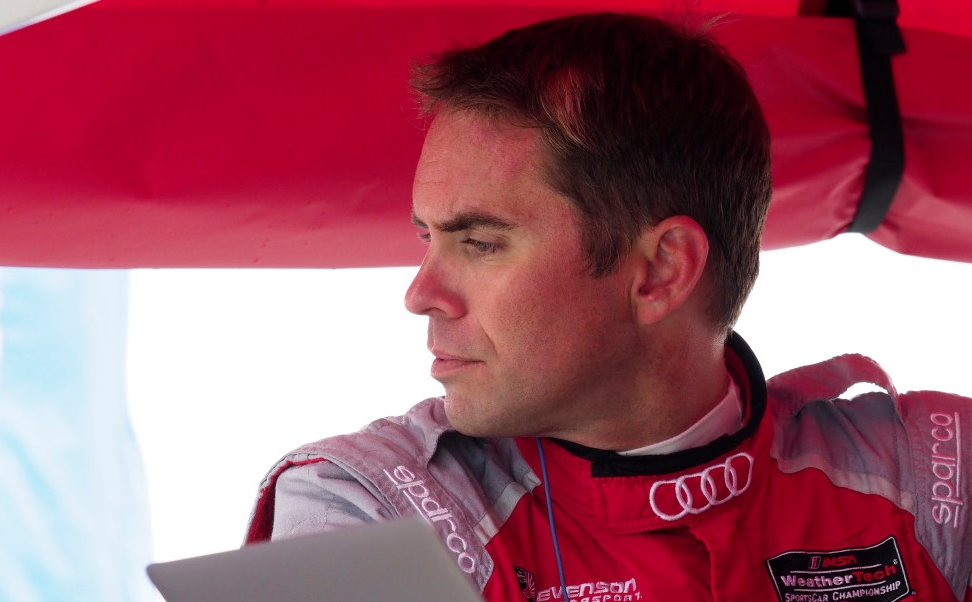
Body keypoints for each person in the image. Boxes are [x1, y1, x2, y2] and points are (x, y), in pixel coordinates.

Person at [245, 12, 972, 601]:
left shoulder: (938, 473)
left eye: (481, 243)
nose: (420, 294)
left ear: (660, 271)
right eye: (428, 239)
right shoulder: (371, 509)